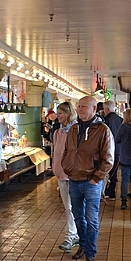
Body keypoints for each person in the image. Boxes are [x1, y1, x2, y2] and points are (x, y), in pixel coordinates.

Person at [62, 96, 114, 261]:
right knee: (77, 216)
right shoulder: (73, 129)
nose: (80, 109)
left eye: (84, 106)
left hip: (91, 182)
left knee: (91, 220)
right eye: (78, 106)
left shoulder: (103, 130)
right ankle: (82, 246)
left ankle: (90, 254)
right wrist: (66, 168)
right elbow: (67, 152)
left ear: (94, 109)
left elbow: (108, 159)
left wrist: (96, 178)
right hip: (74, 180)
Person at [52, 101, 79, 252]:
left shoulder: (77, 130)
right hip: (61, 175)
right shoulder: (58, 132)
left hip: (75, 175)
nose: (58, 116)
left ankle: (73, 235)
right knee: (68, 207)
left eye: (60, 113)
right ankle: (72, 235)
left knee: (75, 207)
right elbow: (56, 152)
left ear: (68, 114)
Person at [101, 100, 123, 200]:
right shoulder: (121, 119)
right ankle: (112, 192)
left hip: (108, 149)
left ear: (107, 109)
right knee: (114, 171)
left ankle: (106, 191)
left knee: (106, 170)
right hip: (119, 149)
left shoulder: (106, 120)